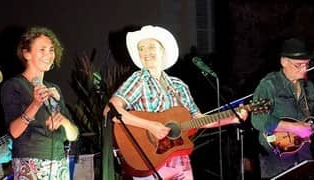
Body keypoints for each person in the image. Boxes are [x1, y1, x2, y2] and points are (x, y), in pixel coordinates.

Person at [104, 25, 248, 180]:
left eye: (151, 47)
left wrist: (231, 118)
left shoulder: (178, 85)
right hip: (149, 159)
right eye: (141, 48)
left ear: (162, 51)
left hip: (179, 160)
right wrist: (150, 125)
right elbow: (110, 110)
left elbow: (197, 120)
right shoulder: (139, 79)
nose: (145, 53)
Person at [0, 27, 79, 180]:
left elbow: (74, 135)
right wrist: (35, 104)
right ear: (26, 53)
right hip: (30, 163)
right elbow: (14, 132)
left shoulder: (54, 89)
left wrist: (65, 123)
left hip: (59, 164)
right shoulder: (14, 86)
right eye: (42, 50)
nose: (48, 55)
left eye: (51, 50)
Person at [251, 38, 314, 179]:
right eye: (298, 65)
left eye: (307, 64)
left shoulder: (309, 88)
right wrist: (294, 127)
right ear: (284, 62)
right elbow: (258, 120)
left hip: (304, 152)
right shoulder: (269, 85)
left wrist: (310, 130)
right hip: (275, 155)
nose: (304, 69)